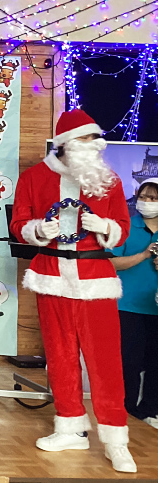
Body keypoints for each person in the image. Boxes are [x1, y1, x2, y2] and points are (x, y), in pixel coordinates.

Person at [11, 109, 135, 473]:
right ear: (66, 143)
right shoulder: (34, 177)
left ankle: (116, 440)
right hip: (51, 274)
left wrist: (106, 226)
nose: (93, 145)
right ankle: (69, 427)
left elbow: (122, 228)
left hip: (95, 278)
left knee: (105, 361)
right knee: (59, 356)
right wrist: (38, 229)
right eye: (85, 139)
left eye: (94, 139)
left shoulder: (109, 180)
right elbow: (19, 223)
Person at [109, 177, 158, 430]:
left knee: (155, 363)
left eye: (153, 198)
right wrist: (144, 255)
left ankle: (150, 410)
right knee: (129, 362)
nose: (147, 202)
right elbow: (111, 263)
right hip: (127, 305)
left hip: (155, 306)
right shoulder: (127, 227)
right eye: (143, 197)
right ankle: (126, 409)